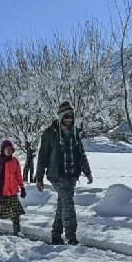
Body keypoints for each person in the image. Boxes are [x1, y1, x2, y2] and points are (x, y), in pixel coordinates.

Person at [35, 101, 93, 245]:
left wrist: (87, 171)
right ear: (61, 117)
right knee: (68, 204)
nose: (69, 119)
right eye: (66, 116)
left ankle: (56, 234)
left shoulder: (75, 132)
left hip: (72, 174)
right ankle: (71, 237)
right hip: (57, 174)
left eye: (71, 116)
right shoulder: (50, 133)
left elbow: (81, 153)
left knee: (63, 204)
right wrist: (39, 177)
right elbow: (42, 156)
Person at [0, 139, 26, 235]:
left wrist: (22, 188)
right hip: (1, 192)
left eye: (10, 149)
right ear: (3, 149)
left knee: (15, 213)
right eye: (7, 148)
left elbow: (18, 176)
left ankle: (17, 232)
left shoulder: (15, 161)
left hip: (13, 192)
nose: (9, 150)